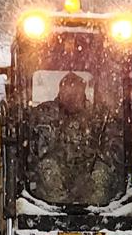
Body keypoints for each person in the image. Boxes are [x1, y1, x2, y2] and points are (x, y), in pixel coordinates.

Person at [30, 71, 127, 207]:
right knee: (48, 170)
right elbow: (34, 150)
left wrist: (95, 167)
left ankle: (95, 215)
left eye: (75, 93)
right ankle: (58, 213)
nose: (71, 97)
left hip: (89, 173)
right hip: (56, 178)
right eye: (68, 92)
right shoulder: (44, 115)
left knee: (101, 174)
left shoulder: (100, 116)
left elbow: (112, 146)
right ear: (60, 92)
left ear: (83, 93)